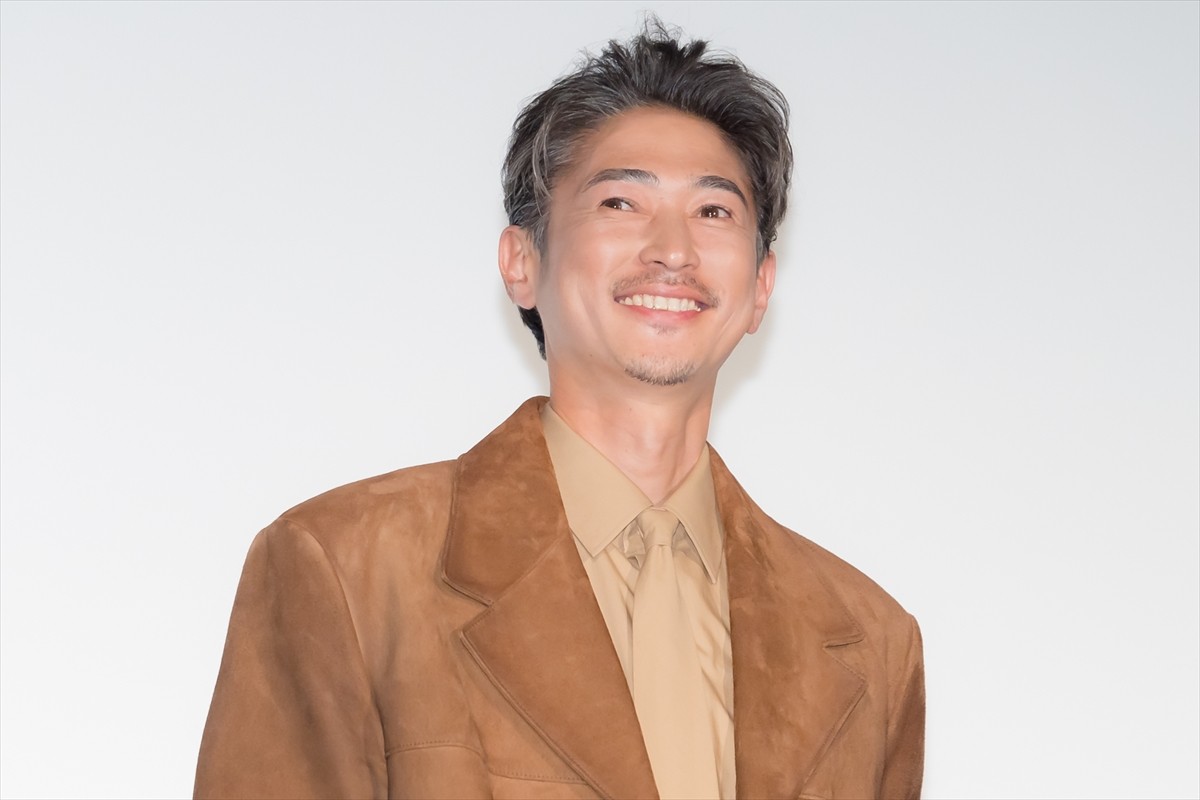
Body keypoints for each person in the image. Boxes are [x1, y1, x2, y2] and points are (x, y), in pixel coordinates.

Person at [195, 20, 924, 800]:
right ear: (522, 262)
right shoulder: (348, 567)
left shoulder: (872, 642)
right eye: (620, 201)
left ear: (760, 287)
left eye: (714, 212)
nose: (673, 249)